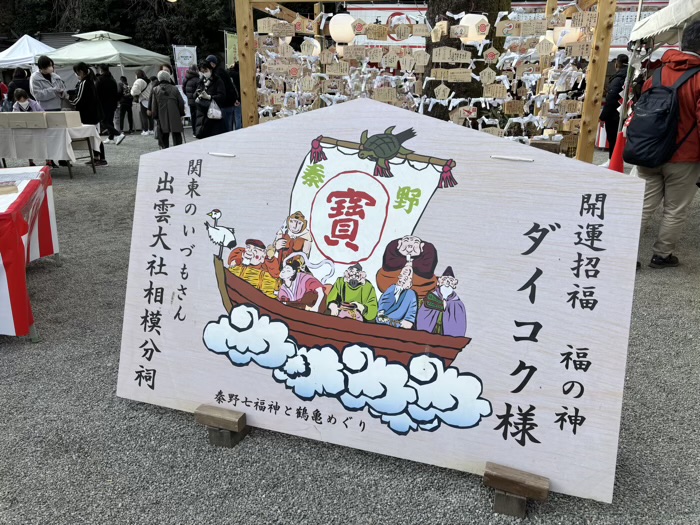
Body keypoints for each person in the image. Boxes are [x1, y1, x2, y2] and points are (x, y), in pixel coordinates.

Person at [636, 21, 700, 269]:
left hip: (648, 151)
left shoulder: (658, 73)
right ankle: (662, 255)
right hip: (683, 156)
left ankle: (624, 252)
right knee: (675, 208)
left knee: (642, 205)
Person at [376, 235, 438, 300]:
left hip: (421, 288)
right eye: (406, 241)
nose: (410, 246)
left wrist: (412, 264)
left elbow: (427, 270)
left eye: (416, 242)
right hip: (391, 283)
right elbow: (388, 264)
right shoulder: (392, 247)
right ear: (399, 244)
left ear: (421, 246)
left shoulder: (429, 250)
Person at [70, 62, 108, 167]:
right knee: (94, 135)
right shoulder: (91, 81)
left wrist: (68, 99)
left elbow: (78, 100)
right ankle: (97, 157)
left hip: (89, 114)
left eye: (76, 73)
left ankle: (101, 158)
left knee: (95, 136)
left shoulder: (84, 83)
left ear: (80, 72)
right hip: (93, 113)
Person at [416, 267, 467, 337]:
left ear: (454, 284)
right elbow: (423, 314)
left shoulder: (458, 304)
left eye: (450, 280)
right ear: (439, 282)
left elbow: (459, 323)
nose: (447, 283)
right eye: (445, 279)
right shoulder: (431, 297)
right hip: (430, 333)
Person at [599, 54, 629, 166]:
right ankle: (617, 159)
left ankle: (612, 159)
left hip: (614, 114)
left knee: (613, 137)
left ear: (617, 63)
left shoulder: (618, 79)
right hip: (624, 111)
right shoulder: (629, 75)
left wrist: (603, 116)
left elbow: (611, 98)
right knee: (619, 137)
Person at [151, 70, 185, 148]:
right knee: (176, 135)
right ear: (168, 78)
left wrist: (155, 116)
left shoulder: (155, 89)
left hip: (161, 116)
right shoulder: (175, 88)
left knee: (163, 135)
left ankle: (165, 151)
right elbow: (181, 102)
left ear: (159, 79)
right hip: (174, 115)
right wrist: (181, 113)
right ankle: (178, 150)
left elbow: (154, 105)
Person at [12, 89, 44, 166]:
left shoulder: (34, 103)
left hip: (37, 127)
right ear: (17, 99)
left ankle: (49, 160)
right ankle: (31, 161)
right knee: (28, 145)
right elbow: (13, 117)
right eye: (20, 99)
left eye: (24, 99)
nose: (23, 101)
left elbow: (42, 112)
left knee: (41, 144)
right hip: (24, 129)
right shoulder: (16, 106)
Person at [194, 60, 226, 139]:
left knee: (214, 137)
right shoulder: (201, 81)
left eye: (206, 71)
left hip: (213, 114)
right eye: (202, 71)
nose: (204, 73)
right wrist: (197, 94)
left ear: (211, 69)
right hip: (202, 115)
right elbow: (194, 94)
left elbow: (222, 96)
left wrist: (209, 97)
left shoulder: (218, 81)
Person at [206, 54, 237, 132]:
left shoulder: (217, 74)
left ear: (213, 64)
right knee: (228, 127)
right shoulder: (221, 71)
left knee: (226, 128)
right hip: (229, 102)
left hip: (225, 104)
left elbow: (222, 90)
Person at [95, 64, 124, 145]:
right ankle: (111, 137)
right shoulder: (112, 79)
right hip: (113, 103)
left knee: (104, 122)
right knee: (109, 120)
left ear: (101, 70)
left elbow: (96, 92)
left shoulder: (100, 79)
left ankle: (118, 134)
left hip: (103, 103)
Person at [131, 70, 153, 135]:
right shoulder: (149, 81)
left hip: (143, 100)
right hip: (150, 100)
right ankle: (151, 130)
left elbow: (134, 92)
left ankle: (145, 130)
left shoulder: (139, 81)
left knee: (144, 116)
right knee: (150, 116)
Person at [182, 65, 201, 136]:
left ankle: (194, 132)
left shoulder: (186, 78)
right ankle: (198, 131)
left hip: (190, 101)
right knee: (198, 117)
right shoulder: (197, 79)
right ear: (196, 70)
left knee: (193, 117)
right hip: (197, 101)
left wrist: (189, 96)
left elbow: (184, 90)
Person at [228, 62, 242, 130]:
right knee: (238, 116)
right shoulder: (239, 75)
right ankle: (239, 130)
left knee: (233, 117)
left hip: (232, 98)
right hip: (239, 97)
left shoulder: (229, 74)